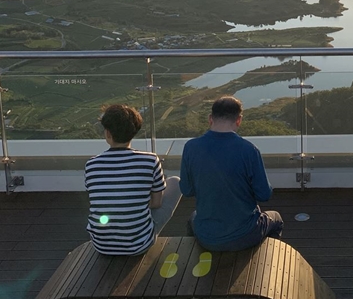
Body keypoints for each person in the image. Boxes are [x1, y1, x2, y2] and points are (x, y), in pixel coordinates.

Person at [180, 95, 283, 251]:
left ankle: (193, 263)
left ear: (210, 118)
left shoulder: (191, 147)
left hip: (206, 236)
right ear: (239, 120)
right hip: (245, 234)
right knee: (276, 218)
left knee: (193, 218)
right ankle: (264, 260)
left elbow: (187, 190)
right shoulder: (249, 150)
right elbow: (264, 195)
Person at [84, 104, 182, 255]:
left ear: (108, 133)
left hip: (101, 245)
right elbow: (156, 203)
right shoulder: (150, 160)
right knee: (175, 182)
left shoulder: (92, 164)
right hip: (139, 245)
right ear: (134, 131)